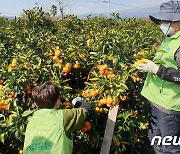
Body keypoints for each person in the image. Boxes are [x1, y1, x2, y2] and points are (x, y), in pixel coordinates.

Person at [136, 1, 180, 154]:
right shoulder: (170, 37)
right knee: (156, 140)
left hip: (170, 107)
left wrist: (156, 69)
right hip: (157, 101)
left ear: (177, 21)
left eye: (165, 21)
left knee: (170, 148)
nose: (162, 24)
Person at [23, 81, 94, 154]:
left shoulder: (31, 121)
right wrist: (77, 102)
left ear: (36, 104)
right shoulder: (62, 116)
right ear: (57, 101)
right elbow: (89, 110)